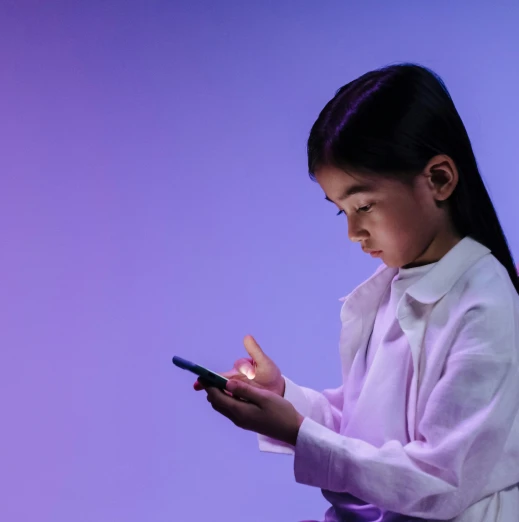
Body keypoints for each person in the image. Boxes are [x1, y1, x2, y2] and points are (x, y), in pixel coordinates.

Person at [194, 64, 519, 521]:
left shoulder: (487, 307)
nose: (353, 231)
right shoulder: (394, 288)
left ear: (440, 180)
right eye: (340, 210)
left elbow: (441, 481)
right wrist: (283, 398)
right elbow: (364, 437)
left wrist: (300, 433)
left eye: (363, 205)